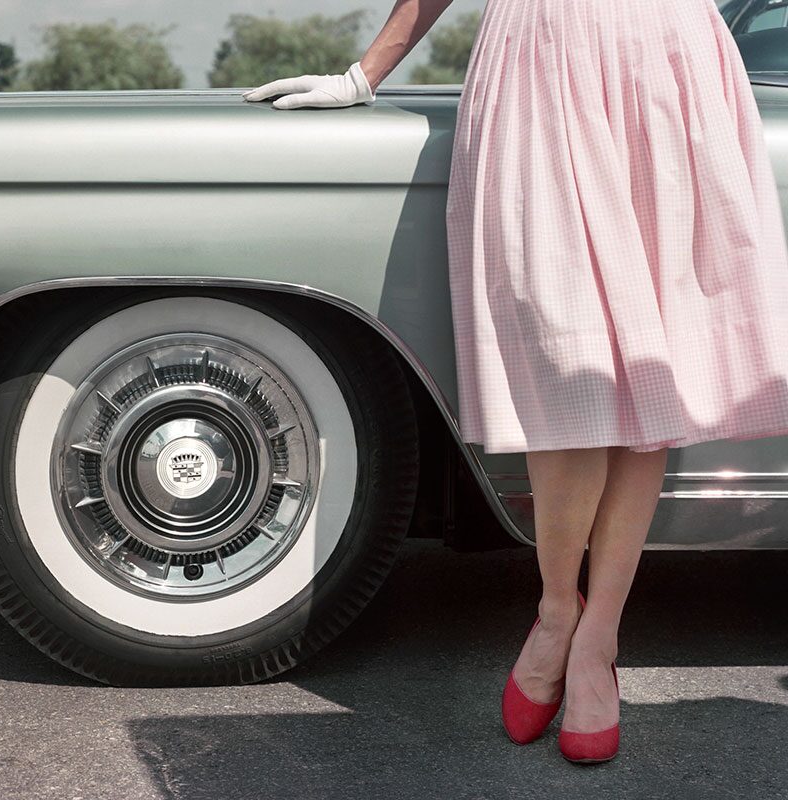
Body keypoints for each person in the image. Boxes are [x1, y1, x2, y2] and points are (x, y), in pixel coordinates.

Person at [243, 0, 788, 765]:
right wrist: (364, 74)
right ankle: (557, 609)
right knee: (564, 360)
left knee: (647, 364)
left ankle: (598, 640)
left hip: (669, 58)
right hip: (542, 60)